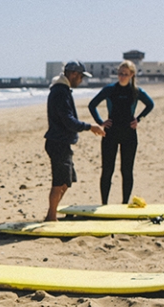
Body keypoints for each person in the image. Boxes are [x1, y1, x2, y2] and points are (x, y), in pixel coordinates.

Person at [44, 61, 105, 222]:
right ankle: (51, 216)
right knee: (59, 182)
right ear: (73, 74)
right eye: (80, 77)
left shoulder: (62, 90)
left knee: (66, 181)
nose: (81, 80)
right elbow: (68, 121)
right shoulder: (60, 92)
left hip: (62, 142)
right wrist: (90, 126)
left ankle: (51, 214)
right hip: (58, 142)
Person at [88, 60, 154, 204]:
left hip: (129, 134)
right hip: (110, 133)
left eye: (125, 74)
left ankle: (124, 203)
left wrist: (138, 119)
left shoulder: (136, 91)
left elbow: (150, 104)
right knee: (107, 170)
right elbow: (92, 105)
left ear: (131, 75)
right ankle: (104, 203)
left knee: (127, 170)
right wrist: (100, 122)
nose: (122, 76)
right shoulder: (110, 89)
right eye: (120, 74)